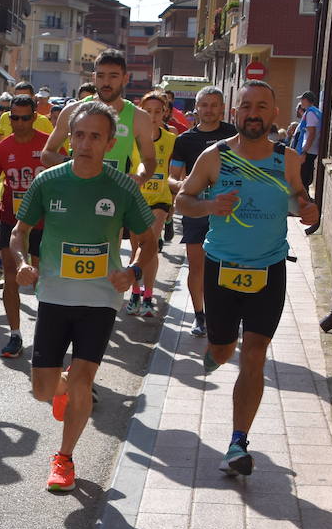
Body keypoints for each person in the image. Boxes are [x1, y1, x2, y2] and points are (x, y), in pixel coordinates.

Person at [174, 80, 318, 476]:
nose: (253, 113)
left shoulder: (287, 159)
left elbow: (299, 197)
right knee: (223, 351)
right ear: (236, 112)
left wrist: (308, 209)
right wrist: (208, 205)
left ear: (274, 113)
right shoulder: (214, 156)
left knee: (254, 355)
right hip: (221, 268)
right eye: (246, 106)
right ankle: (215, 350)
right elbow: (182, 199)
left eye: (262, 106)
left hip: (268, 269)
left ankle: (238, 443)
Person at [14, 101, 157, 492]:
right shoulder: (49, 181)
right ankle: (60, 388)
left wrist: (133, 271)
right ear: (69, 138)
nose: (86, 143)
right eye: (79, 135)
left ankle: (64, 459)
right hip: (55, 294)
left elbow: (148, 240)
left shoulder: (122, 186)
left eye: (96, 136)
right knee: (43, 389)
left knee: (83, 379)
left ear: (110, 143)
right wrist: (22, 262)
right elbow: (18, 232)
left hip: (100, 298)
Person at [168, 86, 238, 337]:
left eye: (213, 105)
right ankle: (200, 316)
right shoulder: (184, 140)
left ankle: (226, 314)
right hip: (197, 210)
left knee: (227, 265)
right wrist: (183, 187)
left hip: (230, 211)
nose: (208, 110)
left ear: (222, 108)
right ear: (196, 109)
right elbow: (172, 177)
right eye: (204, 105)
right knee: (197, 267)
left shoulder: (234, 134)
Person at [0, 94, 50, 358]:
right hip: (12, 221)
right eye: (14, 118)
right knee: (11, 275)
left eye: (25, 118)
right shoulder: (1, 148)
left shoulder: (48, 147)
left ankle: (46, 336)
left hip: (46, 222)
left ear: (34, 117)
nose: (19, 123)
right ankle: (15, 335)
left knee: (42, 281)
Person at [44, 50, 157, 187]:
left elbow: (149, 160)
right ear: (93, 78)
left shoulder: (139, 118)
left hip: (114, 196)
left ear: (125, 79)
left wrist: (140, 176)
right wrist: (75, 163)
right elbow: (47, 154)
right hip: (76, 192)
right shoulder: (73, 111)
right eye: (101, 76)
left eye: (113, 76)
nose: (106, 82)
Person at [124, 91, 177, 318]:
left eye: (158, 111)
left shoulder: (171, 138)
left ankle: (148, 296)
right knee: (137, 248)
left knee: (151, 245)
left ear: (165, 112)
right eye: (147, 111)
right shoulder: (131, 139)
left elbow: (175, 172)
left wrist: (173, 201)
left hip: (160, 200)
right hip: (136, 200)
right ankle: (135, 291)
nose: (153, 116)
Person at [292, 90, 322, 196]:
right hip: (311, 150)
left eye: (302, 100)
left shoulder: (310, 113)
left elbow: (311, 133)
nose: (301, 102)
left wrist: (304, 152)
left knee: (302, 179)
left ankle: (302, 205)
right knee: (304, 178)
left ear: (306, 100)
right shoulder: (316, 111)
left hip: (308, 150)